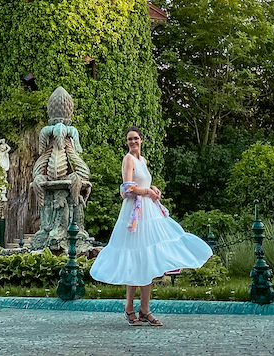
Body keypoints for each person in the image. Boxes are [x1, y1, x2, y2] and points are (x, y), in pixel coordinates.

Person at [90, 126, 212, 326]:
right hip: (134, 213)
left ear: (141, 140)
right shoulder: (128, 159)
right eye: (129, 139)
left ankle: (145, 309)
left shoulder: (142, 160)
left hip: (148, 211)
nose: (132, 142)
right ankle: (129, 308)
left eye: (136, 138)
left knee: (147, 259)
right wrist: (147, 191)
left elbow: (143, 182)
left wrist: (152, 188)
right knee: (134, 258)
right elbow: (127, 187)